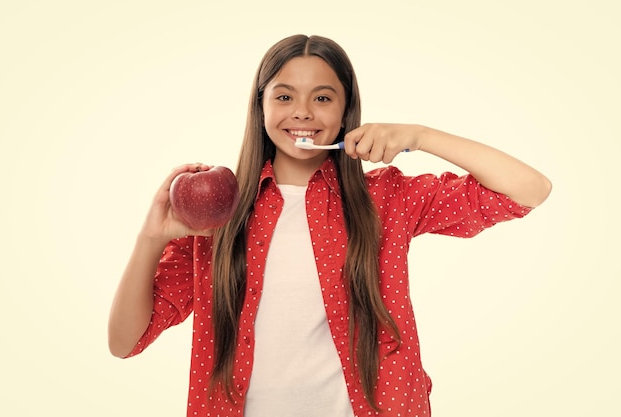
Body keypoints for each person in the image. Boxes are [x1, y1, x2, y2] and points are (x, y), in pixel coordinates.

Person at [108, 34, 551, 417]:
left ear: (345, 111)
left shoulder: (387, 199)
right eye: (283, 97)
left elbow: (528, 189)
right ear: (259, 107)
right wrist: (153, 236)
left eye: (322, 98)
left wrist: (419, 135)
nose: (302, 112)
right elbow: (125, 342)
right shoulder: (219, 213)